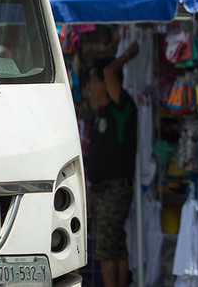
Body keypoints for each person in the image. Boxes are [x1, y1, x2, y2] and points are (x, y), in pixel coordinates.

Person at [85, 41, 140, 287]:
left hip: (115, 189)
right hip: (101, 190)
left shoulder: (122, 108)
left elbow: (109, 72)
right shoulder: (101, 114)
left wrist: (128, 54)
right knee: (115, 245)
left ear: (106, 83)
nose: (89, 86)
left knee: (107, 248)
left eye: (92, 80)